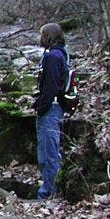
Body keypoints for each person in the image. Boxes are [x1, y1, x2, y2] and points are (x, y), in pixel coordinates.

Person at [33, 22, 69, 200]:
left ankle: (48, 194)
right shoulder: (60, 54)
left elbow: (51, 86)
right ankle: (50, 189)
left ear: (47, 36)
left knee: (48, 154)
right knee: (50, 151)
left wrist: (41, 108)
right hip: (54, 107)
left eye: (41, 34)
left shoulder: (53, 57)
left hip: (51, 109)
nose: (39, 38)